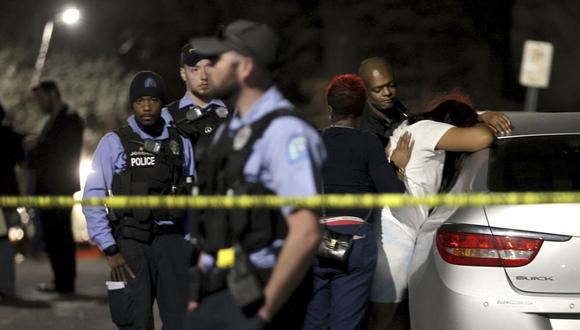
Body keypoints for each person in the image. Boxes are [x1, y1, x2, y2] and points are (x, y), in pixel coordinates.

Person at [184, 20, 326, 330]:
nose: (208, 67)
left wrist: (263, 313)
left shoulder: (285, 133)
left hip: (255, 297)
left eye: (219, 59)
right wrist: (198, 295)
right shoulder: (229, 132)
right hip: (213, 293)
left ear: (246, 67)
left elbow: (306, 233)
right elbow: (214, 218)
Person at [82, 71, 195, 329]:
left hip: (172, 244)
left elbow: (193, 197)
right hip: (131, 246)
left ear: (161, 103)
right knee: (135, 322)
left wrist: (189, 244)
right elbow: (93, 197)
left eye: (153, 100)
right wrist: (110, 249)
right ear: (132, 104)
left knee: (182, 322)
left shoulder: (180, 142)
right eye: (140, 100)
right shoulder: (114, 143)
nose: (146, 106)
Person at [302, 74, 405, 330]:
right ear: (361, 109)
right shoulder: (368, 142)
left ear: (329, 108)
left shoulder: (313, 141)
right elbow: (394, 193)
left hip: (315, 239)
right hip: (356, 242)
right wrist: (397, 167)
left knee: (314, 320)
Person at [27, 80, 84, 294]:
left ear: (52, 94)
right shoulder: (55, 120)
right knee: (53, 235)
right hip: (50, 185)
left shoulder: (69, 118)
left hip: (59, 185)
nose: (39, 104)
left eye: (41, 99)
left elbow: (62, 150)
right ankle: (60, 281)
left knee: (60, 234)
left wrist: (38, 144)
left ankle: (65, 283)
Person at [162, 43, 229, 166]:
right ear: (183, 73)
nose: (203, 76)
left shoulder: (234, 113)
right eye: (195, 69)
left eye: (208, 68)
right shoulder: (166, 117)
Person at [0, 102, 24, 302]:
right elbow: (20, 158)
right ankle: (7, 287)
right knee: (5, 241)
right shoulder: (9, 135)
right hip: (8, 191)